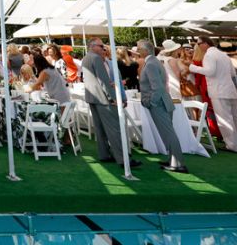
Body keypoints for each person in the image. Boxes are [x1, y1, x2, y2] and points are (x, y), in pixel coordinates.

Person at [82, 38, 141, 168]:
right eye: (101, 46)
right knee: (114, 129)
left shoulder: (86, 58)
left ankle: (104, 154)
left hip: (93, 98)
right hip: (102, 99)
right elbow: (103, 80)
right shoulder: (96, 58)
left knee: (100, 129)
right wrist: (113, 98)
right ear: (93, 46)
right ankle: (123, 159)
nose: (103, 48)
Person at [136, 40, 188, 173]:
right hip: (163, 102)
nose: (137, 50)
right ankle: (173, 160)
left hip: (159, 104)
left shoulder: (151, 64)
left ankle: (177, 164)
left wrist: (151, 102)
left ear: (145, 50)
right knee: (168, 134)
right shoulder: (154, 61)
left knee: (168, 134)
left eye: (139, 48)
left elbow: (158, 88)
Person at [186, 36, 237, 152]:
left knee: (225, 120)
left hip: (218, 91)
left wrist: (192, 67)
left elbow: (210, 72)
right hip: (230, 90)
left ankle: (232, 145)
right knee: (234, 117)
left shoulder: (209, 55)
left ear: (206, 44)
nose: (198, 46)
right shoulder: (223, 55)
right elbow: (232, 73)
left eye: (199, 44)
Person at [191, 42, 221, 139]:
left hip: (205, 86)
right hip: (214, 85)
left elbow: (198, 77)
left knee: (209, 109)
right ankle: (220, 131)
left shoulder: (197, 61)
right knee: (217, 108)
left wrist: (196, 86)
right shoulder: (211, 58)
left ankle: (215, 131)